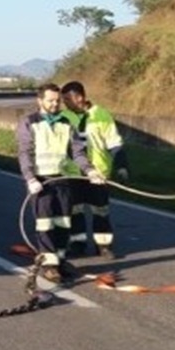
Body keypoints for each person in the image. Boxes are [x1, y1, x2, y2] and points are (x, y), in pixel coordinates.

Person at [16, 83, 105, 283]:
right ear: (40, 101)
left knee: (64, 223)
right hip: (41, 181)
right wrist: (30, 178)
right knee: (45, 224)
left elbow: (77, 152)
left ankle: (61, 260)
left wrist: (90, 170)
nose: (55, 104)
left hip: (63, 180)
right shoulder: (29, 122)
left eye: (57, 101)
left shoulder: (66, 123)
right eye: (50, 100)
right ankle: (49, 265)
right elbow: (25, 153)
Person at [60, 80, 129, 260]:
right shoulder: (65, 117)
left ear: (80, 98)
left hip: (98, 172)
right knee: (75, 210)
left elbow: (114, 143)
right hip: (73, 172)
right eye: (63, 99)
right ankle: (78, 243)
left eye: (68, 99)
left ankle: (104, 246)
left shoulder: (101, 115)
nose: (64, 103)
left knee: (101, 210)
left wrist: (121, 166)